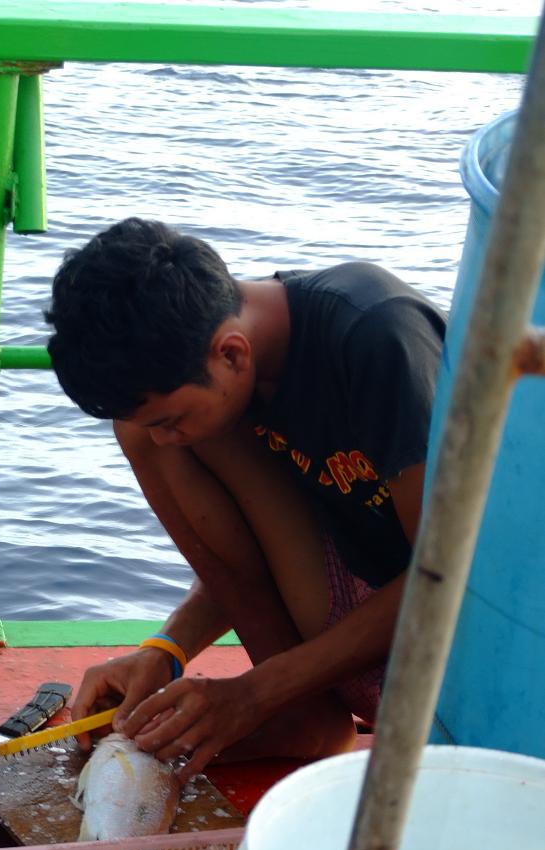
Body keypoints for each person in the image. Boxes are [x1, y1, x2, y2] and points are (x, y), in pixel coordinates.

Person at [45, 217, 446, 784]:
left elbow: (449, 579)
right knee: (136, 432)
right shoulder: (237, 356)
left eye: (172, 418)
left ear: (231, 354)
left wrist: (255, 692)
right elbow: (254, 555)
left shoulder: (377, 339)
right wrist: (167, 649)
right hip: (356, 624)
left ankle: (288, 705)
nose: (165, 438)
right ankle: (301, 718)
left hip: (451, 667)